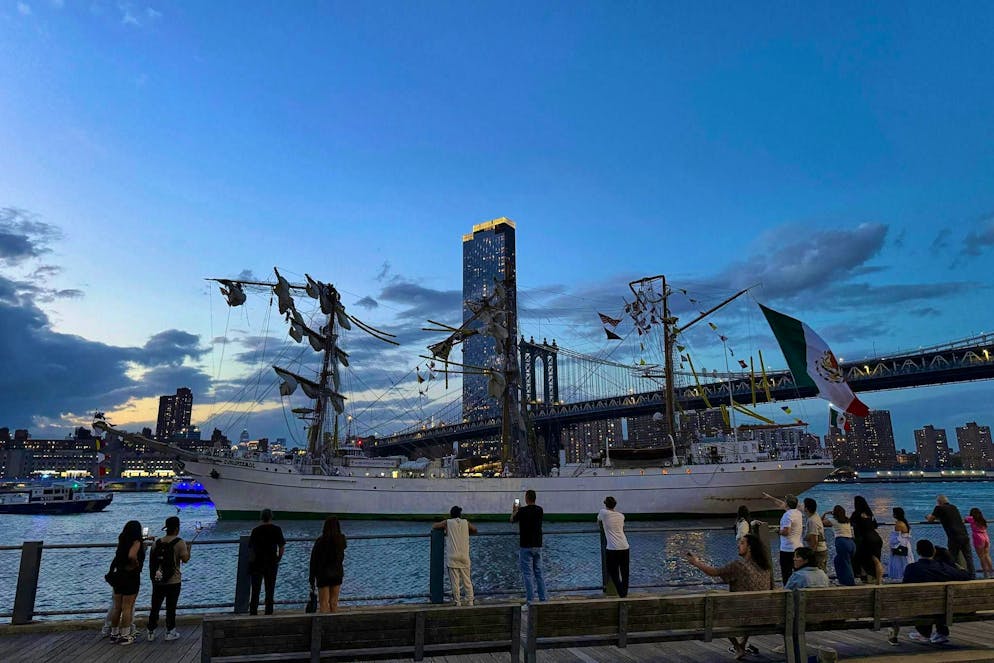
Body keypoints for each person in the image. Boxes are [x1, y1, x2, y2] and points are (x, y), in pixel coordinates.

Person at [685, 534, 770, 660]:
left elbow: (713, 572)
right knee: (750, 603)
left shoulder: (739, 565)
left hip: (742, 616)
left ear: (750, 548)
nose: (738, 545)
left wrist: (696, 562)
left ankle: (737, 647)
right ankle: (742, 644)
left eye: (742, 543)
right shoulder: (766, 567)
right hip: (765, 615)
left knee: (716, 606)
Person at [887, 539, 971, 645]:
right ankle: (935, 633)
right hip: (943, 609)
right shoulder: (943, 567)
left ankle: (923, 633)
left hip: (919, 609)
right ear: (934, 552)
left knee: (921, 602)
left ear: (918, 552)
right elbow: (966, 576)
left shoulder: (911, 568)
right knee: (937, 602)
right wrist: (957, 566)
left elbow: (905, 591)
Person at [146, 515, 191, 641]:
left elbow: (152, 561)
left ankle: (151, 631)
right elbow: (185, 559)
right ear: (177, 528)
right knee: (171, 606)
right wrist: (189, 549)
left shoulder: (157, 543)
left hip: (158, 579)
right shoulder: (180, 542)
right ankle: (170, 631)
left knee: (155, 605)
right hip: (174, 580)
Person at [106, 520, 146, 645]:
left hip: (119, 576)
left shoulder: (122, 541)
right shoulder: (136, 542)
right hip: (131, 576)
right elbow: (132, 555)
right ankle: (125, 635)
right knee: (127, 607)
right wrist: (136, 564)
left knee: (117, 607)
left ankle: (114, 634)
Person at [432, 506, 477, 606]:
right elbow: (475, 529)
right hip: (464, 555)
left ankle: (457, 602)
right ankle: (470, 601)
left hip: (452, 556)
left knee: (455, 581)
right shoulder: (466, 522)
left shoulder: (447, 522)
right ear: (460, 514)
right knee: (467, 580)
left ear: (451, 514)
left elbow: (434, 526)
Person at [511, 489, 547, 602]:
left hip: (525, 545)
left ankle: (530, 600)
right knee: (539, 573)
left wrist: (515, 510)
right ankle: (543, 599)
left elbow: (512, 520)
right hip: (538, 545)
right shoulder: (540, 510)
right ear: (535, 498)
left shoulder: (522, 511)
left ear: (526, 498)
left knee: (527, 574)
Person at [248, 508, 286, 615]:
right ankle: (269, 611)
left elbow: (251, 548)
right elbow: (282, 546)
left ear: (261, 518)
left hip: (257, 563)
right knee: (270, 589)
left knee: (255, 590)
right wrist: (278, 558)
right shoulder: (277, 529)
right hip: (271, 563)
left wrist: (251, 562)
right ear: (271, 517)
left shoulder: (255, 530)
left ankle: (253, 611)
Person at [927, 495, 974, 577]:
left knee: (952, 557)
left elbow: (931, 519)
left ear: (939, 502)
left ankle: (954, 575)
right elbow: (948, 517)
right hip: (964, 534)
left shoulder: (939, 508)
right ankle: (972, 575)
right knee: (968, 557)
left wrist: (928, 517)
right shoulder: (954, 507)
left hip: (954, 536)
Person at [762, 492, 803, 585]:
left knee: (786, 573)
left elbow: (786, 532)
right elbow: (781, 504)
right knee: (798, 572)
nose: (783, 502)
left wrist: (777, 531)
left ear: (787, 504)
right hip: (798, 547)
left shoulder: (787, 515)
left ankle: (788, 592)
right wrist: (770, 497)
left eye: (785, 501)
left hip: (787, 549)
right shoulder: (798, 513)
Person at [309, 517, 347, 613]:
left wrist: (312, 578)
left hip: (323, 574)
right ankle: (334, 624)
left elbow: (313, 560)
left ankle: (325, 625)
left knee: (323, 603)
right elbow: (341, 557)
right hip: (337, 573)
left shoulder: (320, 541)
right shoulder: (341, 540)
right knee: (334, 602)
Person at [598, 496, 630, 598]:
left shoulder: (603, 513)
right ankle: (624, 593)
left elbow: (598, 520)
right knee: (625, 571)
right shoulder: (621, 516)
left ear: (605, 504)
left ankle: (621, 592)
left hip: (612, 548)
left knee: (613, 571)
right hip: (625, 546)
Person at [852, 496, 883, 584]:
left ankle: (866, 579)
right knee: (877, 561)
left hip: (865, 540)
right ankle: (879, 581)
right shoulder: (870, 513)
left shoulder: (856, 514)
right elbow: (875, 525)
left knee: (862, 560)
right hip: (876, 537)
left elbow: (849, 522)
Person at [822, 505, 856, 586]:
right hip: (851, 542)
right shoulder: (847, 520)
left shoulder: (833, 520)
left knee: (845, 563)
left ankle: (849, 583)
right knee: (838, 561)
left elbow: (820, 522)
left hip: (842, 542)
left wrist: (825, 513)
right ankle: (843, 580)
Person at [887, 507, 914, 583]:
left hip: (900, 545)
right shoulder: (905, 522)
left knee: (898, 562)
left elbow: (895, 538)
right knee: (906, 560)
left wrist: (892, 546)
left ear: (895, 514)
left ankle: (898, 578)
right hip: (906, 544)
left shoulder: (898, 524)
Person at [802, 498, 828, 572]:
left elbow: (814, 539)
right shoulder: (816, 515)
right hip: (822, 549)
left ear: (806, 508)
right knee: (822, 571)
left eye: (803, 505)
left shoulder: (812, 521)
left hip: (817, 551)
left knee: (819, 572)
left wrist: (811, 554)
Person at [966, 508, 992, 578]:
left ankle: (985, 574)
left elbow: (966, 519)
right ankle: (991, 573)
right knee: (987, 555)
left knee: (981, 557)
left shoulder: (972, 519)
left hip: (978, 538)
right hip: (986, 537)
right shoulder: (982, 520)